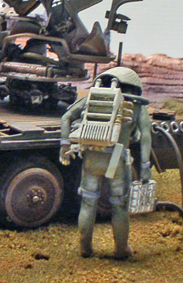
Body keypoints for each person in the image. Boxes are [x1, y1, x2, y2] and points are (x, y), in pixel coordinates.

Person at [60, 67, 153, 259]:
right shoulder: (137, 106)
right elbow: (145, 135)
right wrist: (145, 166)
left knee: (88, 203)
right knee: (120, 206)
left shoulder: (92, 99)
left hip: (92, 157)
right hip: (117, 160)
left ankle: (85, 248)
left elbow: (66, 117)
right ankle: (121, 250)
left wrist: (64, 145)